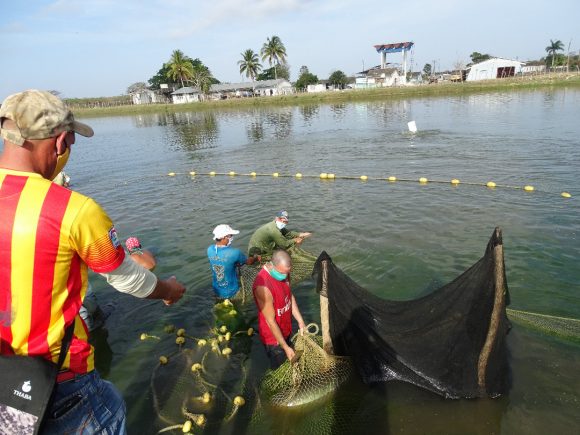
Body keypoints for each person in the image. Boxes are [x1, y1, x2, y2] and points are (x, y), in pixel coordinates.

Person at [0, 90, 186, 434]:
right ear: (59, 143)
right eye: (71, 141)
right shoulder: (73, 209)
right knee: (108, 404)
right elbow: (127, 278)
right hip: (60, 380)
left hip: (6, 379)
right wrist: (168, 290)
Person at [252, 250, 306, 369]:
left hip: (285, 327)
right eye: (282, 273)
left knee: (294, 361)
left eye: (287, 273)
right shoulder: (263, 287)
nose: (285, 276)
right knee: (280, 367)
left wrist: (300, 321)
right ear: (272, 266)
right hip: (273, 338)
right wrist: (285, 347)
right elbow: (270, 321)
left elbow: (289, 296)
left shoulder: (284, 273)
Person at [207, 224, 260, 299]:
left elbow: (222, 261)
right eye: (230, 236)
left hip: (216, 290)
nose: (232, 238)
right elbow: (249, 262)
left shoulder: (210, 249)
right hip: (231, 292)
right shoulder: (235, 253)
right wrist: (255, 258)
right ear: (224, 237)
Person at [248, 210, 312, 257]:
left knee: (289, 238)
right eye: (282, 220)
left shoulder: (275, 224)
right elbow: (284, 244)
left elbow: (288, 233)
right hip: (256, 250)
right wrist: (295, 240)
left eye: (285, 222)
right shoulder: (274, 230)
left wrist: (300, 234)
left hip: (263, 244)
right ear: (277, 218)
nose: (283, 223)